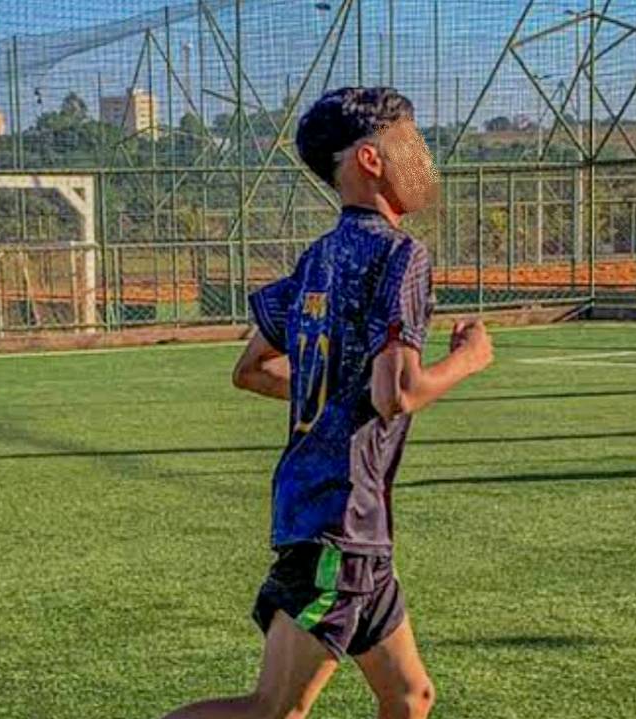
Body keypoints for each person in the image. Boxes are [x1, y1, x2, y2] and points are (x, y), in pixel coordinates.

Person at [161, 86, 493, 719]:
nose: (424, 159)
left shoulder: (316, 259)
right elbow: (397, 394)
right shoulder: (401, 255)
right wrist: (470, 359)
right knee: (273, 710)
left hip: (338, 520)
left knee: (410, 697)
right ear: (371, 159)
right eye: (411, 143)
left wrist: (333, 386)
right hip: (341, 521)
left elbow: (251, 369)